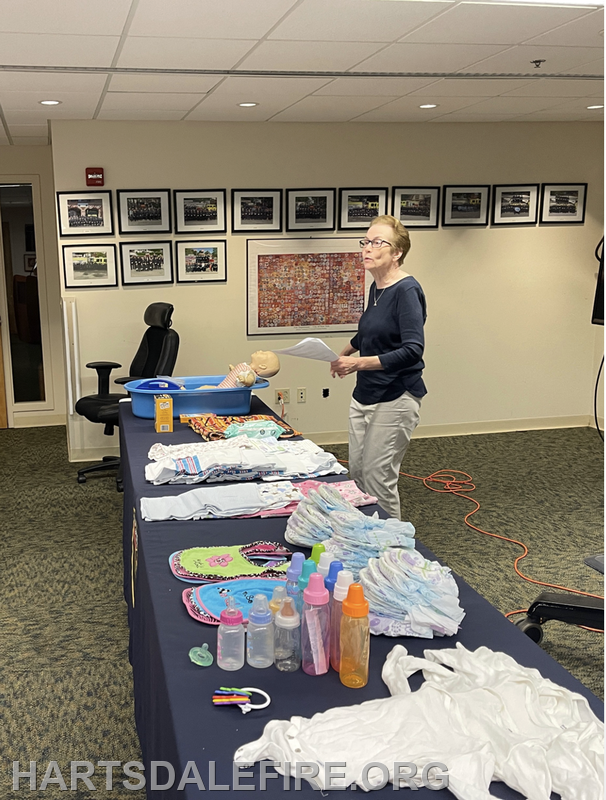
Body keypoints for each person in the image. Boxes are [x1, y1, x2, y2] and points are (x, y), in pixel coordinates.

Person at [330, 215, 426, 520]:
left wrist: (359, 363)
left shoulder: (406, 291)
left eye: (376, 242)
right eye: (365, 241)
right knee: (357, 474)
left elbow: (412, 349)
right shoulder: (377, 287)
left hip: (396, 395)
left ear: (396, 252)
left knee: (378, 479)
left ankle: (392, 551)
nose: (367, 249)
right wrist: (349, 348)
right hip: (365, 394)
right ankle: (363, 538)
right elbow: (373, 329)